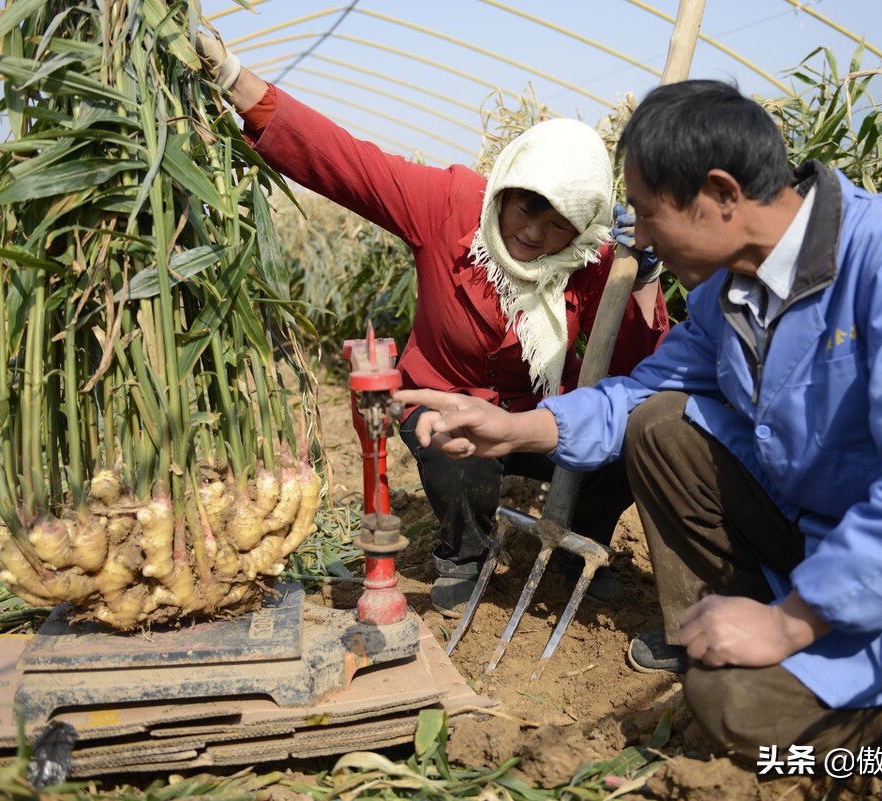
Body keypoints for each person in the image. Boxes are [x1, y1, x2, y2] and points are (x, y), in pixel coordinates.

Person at [394, 80, 882, 764]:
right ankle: (721, 635)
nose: (640, 239)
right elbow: (638, 395)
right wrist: (515, 429)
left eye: (649, 215)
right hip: (823, 536)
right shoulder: (729, 290)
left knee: (728, 707)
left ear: (720, 194)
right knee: (661, 422)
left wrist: (789, 623)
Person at [194, 36, 670, 617]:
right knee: (456, 451)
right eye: (526, 208)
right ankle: (465, 553)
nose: (535, 234)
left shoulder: (596, 263)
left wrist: (643, 279)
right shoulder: (448, 205)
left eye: (558, 224)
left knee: (627, 441)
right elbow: (347, 164)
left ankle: (578, 548)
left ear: (583, 226)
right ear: (505, 189)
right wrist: (240, 83)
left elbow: (633, 372)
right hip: (444, 394)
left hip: (541, 416)